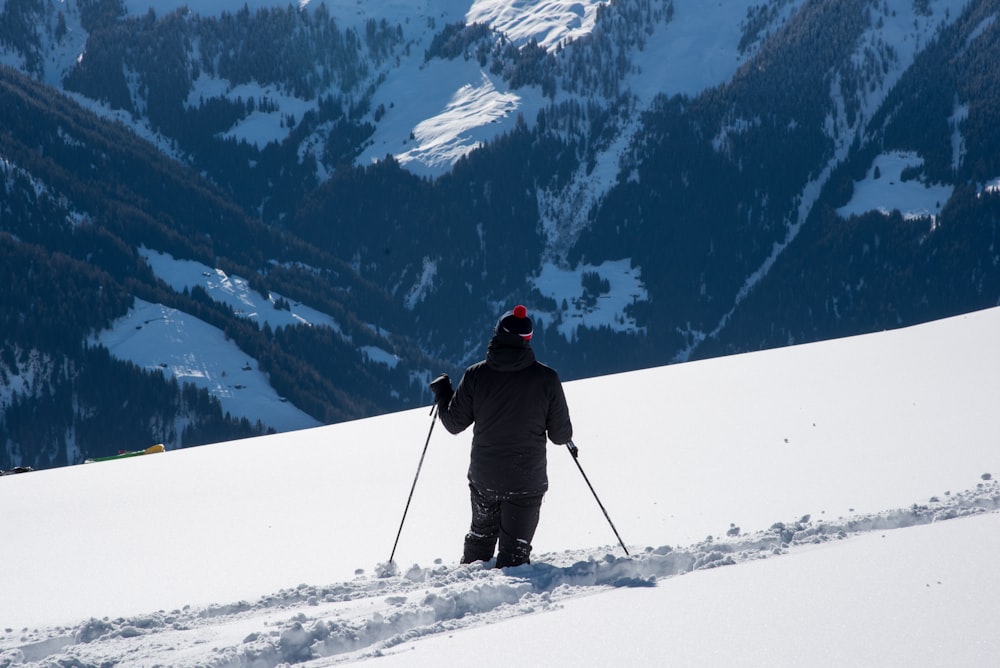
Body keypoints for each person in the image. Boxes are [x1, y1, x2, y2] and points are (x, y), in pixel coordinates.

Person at [429, 304, 573, 568]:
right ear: (527, 340)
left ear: (497, 334)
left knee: (479, 542)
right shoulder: (547, 379)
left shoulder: (476, 375)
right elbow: (560, 435)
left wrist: (442, 394)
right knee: (514, 560)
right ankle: (512, 603)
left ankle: (467, 594)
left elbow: (453, 424)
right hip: (526, 481)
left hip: (486, 478)